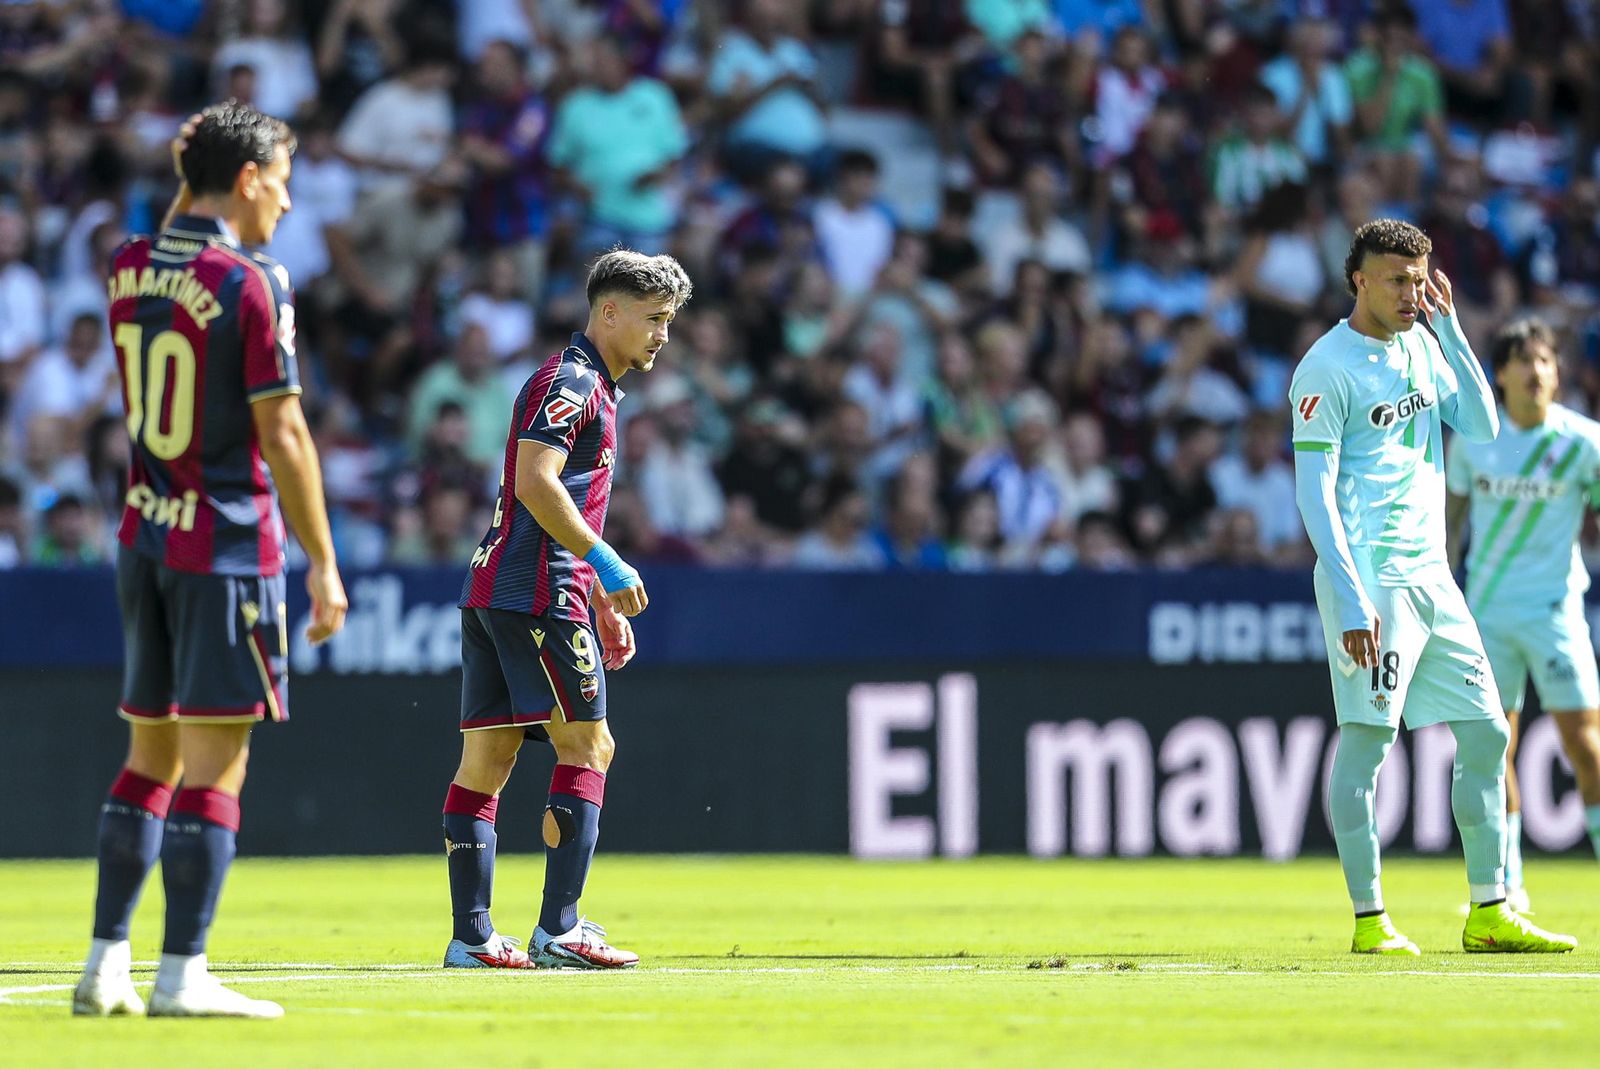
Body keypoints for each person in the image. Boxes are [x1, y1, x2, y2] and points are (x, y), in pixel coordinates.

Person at [73, 102, 348, 1018]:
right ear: (246, 179)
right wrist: (323, 559)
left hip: (143, 531)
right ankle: (183, 970)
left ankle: (103, 964)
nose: (289, 201)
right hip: (224, 541)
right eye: (283, 180)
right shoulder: (252, 280)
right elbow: (284, 428)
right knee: (214, 764)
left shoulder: (125, 265)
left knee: (146, 755)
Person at [1289, 219, 1575, 956]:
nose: (1412, 292)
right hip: (1371, 576)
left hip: (1433, 576)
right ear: (1359, 279)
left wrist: (1452, 332)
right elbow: (1315, 493)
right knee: (1369, 746)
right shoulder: (1327, 367)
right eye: (1396, 279)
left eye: (1419, 279)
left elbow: (1481, 424)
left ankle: (1488, 907)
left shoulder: (1424, 339)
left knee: (1488, 731)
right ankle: (1370, 918)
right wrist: (1349, 596)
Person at [441, 249, 692, 970]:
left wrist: (590, 589)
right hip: (538, 591)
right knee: (590, 746)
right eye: (653, 319)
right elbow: (535, 481)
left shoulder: (588, 385)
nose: (661, 336)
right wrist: (604, 565)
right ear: (608, 311)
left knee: (488, 757)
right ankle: (561, 926)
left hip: (500, 588)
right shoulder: (573, 380)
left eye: (668, 321)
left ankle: (474, 936)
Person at [1446, 318, 1600, 911]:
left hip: (1556, 614)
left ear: (1556, 373)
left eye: (1546, 361)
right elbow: (1450, 527)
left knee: (1586, 746)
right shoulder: (1475, 441)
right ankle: (1506, 886)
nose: (1537, 372)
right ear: (1501, 375)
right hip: (1486, 615)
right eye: (1524, 361)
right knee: (1492, 749)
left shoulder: (1584, 443)